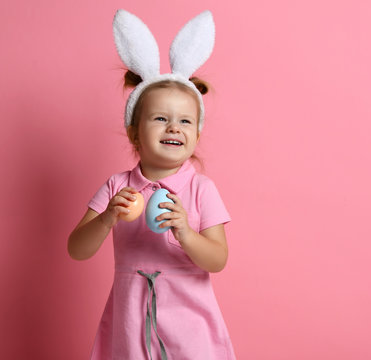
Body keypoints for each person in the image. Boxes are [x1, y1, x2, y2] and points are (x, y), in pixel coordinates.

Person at [68, 9, 235, 360]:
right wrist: (107, 219)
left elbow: (217, 259)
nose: (174, 128)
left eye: (185, 121)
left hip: (190, 322)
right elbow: (77, 249)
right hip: (131, 321)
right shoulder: (118, 187)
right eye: (161, 118)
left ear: (196, 133)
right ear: (134, 131)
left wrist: (186, 232)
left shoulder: (201, 189)